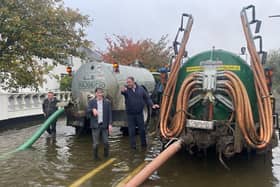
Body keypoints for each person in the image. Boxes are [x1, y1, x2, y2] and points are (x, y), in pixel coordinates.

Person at [121, 76, 159, 149]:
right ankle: (133, 147)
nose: (128, 84)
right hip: (130, 114)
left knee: (142, 130)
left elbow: (147, 98)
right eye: (127, 82)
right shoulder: (126, 90)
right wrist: (123, 90)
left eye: (129, 82)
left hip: (139, 113)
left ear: (133, 81)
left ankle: (144, 145)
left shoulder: (141, 89)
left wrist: (152, 105)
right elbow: (123, 91)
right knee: (131, 131)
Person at [88, 88, 112, 160]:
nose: (100, 94)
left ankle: (106, 156)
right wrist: (92, 110)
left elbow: (110, 114)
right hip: (95, 125)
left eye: (101, 93)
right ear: (95, 93)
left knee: (106, 142)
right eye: (98, 93)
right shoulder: (91, 102)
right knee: (96, 143)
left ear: (103, 93)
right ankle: (95, 157)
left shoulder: (107, 102)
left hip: (104, 125)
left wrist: (110, 124)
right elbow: (87, 111)